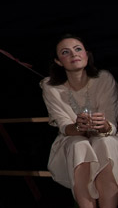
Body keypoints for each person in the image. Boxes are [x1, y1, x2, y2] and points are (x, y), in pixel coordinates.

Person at [40, 34, 118, 208]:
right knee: (79, 145)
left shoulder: (103, 78)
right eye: (65, 52)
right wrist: (78, 127)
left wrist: (104, 125)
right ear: (59, 61)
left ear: (86, 54)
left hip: (103, 138)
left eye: (77, 49)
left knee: (105, 143)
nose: (73, 54)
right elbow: (63, 126)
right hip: (71, 141)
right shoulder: (50, 86)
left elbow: (111, 125)